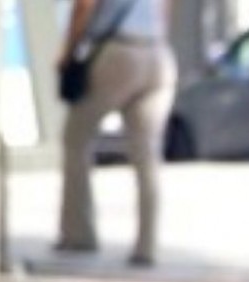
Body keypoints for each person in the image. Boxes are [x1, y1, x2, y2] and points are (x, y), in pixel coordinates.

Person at [56, 0, 176, 267]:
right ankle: (147, 246)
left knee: (75, 138)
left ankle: (79, 234)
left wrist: (68, 51)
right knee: (147, 155)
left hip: (119, 50)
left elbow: (84, 6)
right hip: (158, 54)